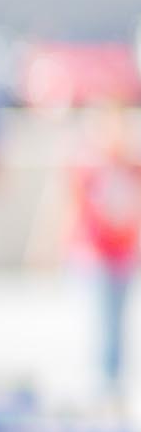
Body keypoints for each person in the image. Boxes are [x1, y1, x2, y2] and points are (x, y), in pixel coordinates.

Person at [70, 102, 141, 396]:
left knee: (117, 326)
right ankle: (103, 388)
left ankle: (111, 386)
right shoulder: (90, 164)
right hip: (96, 254)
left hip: (122, 254)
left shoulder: (131, 164)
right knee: (102, 326)